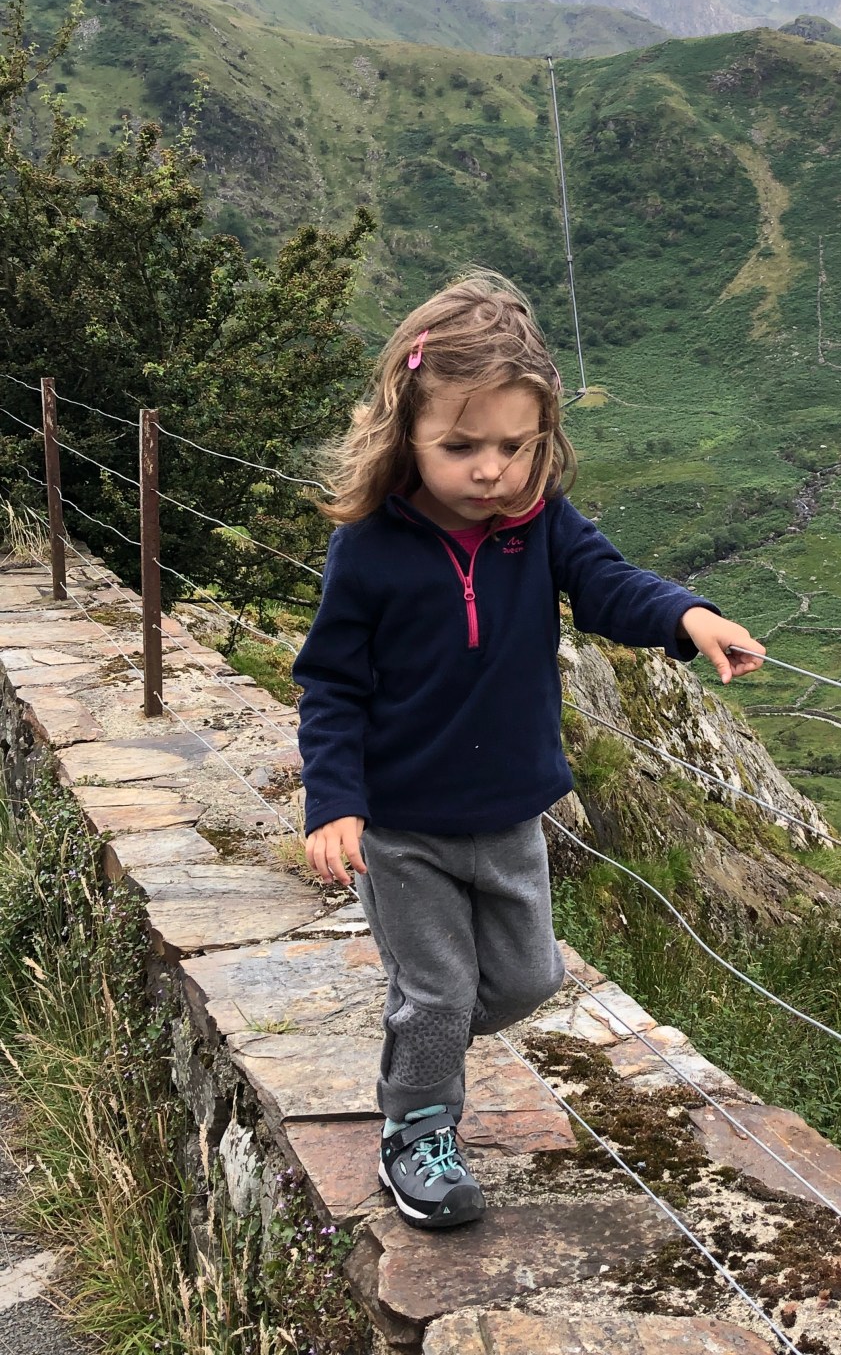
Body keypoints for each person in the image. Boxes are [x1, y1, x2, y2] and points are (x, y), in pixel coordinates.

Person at [293, 270, 764, 1230]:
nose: (492, 471)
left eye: (516, 446)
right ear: (406, 434)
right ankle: (416, 1130)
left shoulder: (540, 523)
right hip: (403, 825)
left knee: (527, 981)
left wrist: (687, 616)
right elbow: (331, 683)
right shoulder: (371, 549)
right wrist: (334, 801)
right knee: (438, 992)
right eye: (461, 446)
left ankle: (418, 1042)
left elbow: (607, 583)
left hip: (510, 815)